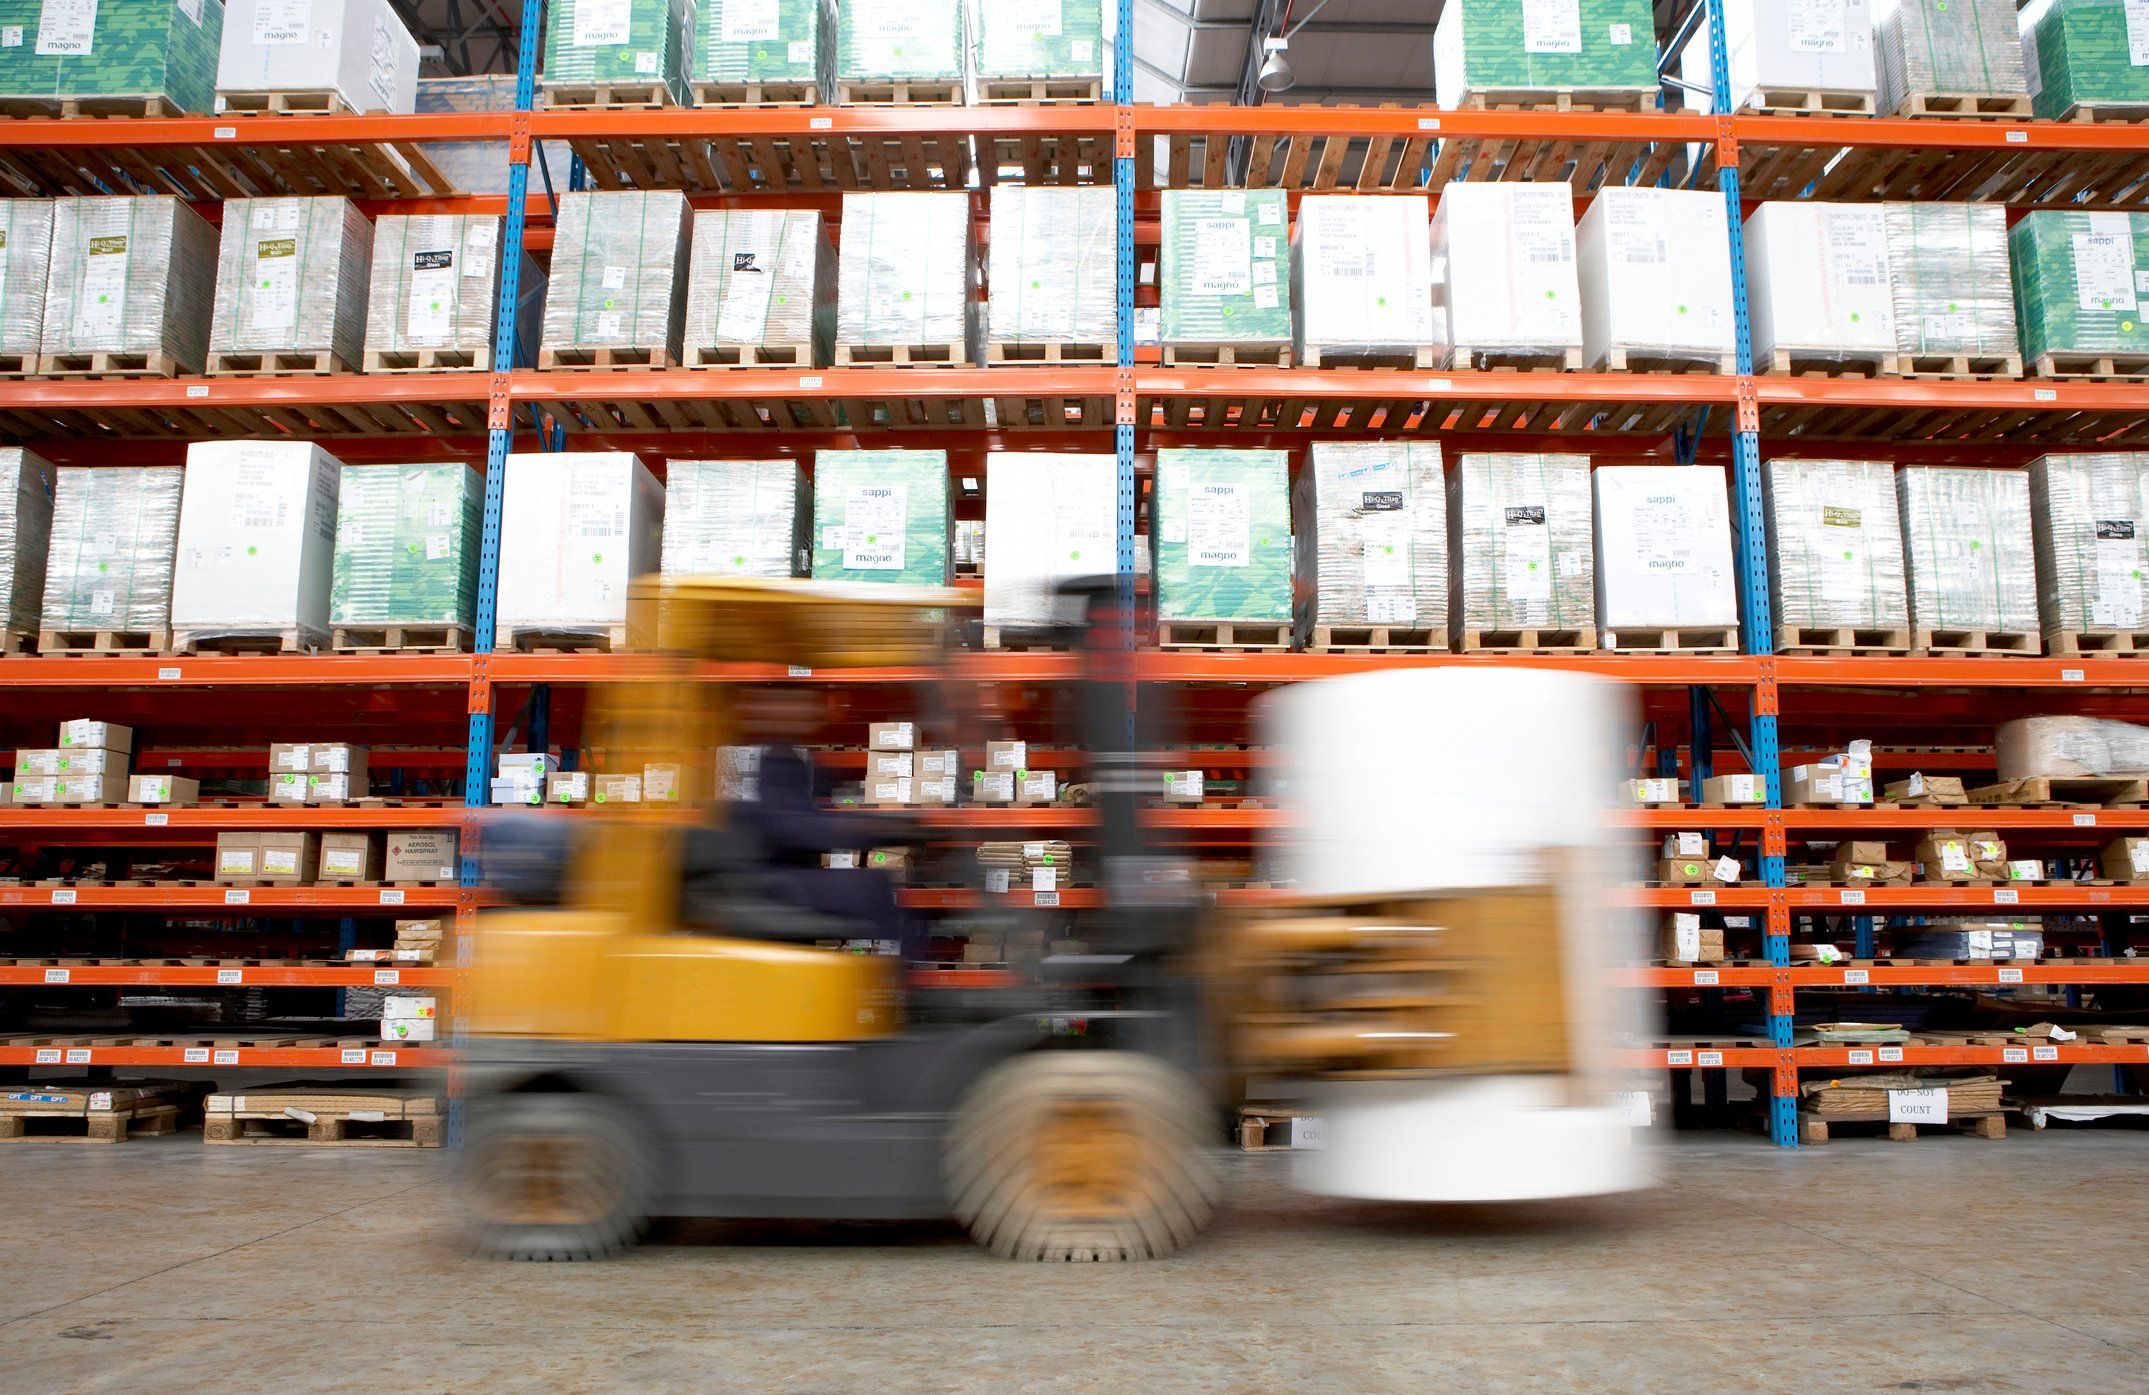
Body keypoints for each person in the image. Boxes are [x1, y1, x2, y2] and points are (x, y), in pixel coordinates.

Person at [684, 685, 920, 952]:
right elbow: (788, 827)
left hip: (776, 878)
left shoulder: (791, 757)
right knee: (870, 890)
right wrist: (866, 827)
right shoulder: (755, 757)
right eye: (793, 700)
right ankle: (898, 981)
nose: (806, 709)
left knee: (869, 887)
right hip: (763, 885)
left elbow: (801, 820)